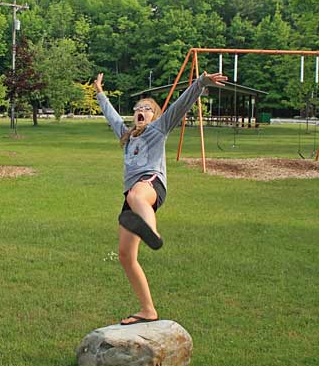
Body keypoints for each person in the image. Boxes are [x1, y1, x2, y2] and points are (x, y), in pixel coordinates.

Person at [94, 71, 226, 325]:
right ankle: (147, 310)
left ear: (154, 115)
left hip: (151, 186)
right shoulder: (126, 134)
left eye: (147, 108)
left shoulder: (158, 129)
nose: (141, 111)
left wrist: (200, 83)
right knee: (125, 256)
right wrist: (99, 91)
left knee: (136, 194)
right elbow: (110, 114)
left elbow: (179, 106)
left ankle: (152, 231)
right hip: (133, 199)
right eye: (137, 108)